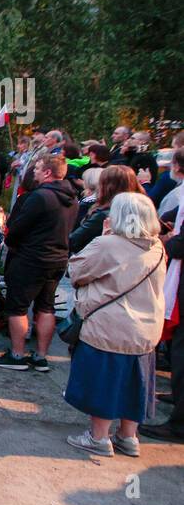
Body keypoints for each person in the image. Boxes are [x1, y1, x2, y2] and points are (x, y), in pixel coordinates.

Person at [63, 193, 165, 457]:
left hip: (110, 327)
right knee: (135, 383)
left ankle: (98, 437)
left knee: (104, 382)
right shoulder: (157, 247)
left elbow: (76, 271)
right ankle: (128, 437)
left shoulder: (108, 244)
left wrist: (104, 234)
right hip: (146, 329)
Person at [0, 153, 79, 371]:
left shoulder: (40, 197)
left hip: (32, 258)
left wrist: (10, 240)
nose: (35, 172)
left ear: (48, 172)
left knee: (18, 306)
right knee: (46, 306)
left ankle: (17, 355)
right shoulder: (72, 198)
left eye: (38, 168)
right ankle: (41, 356)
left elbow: (18, 228)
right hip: (57, 258)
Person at [68, 165, 142, 255]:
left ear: (106, 186)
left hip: (99, 258)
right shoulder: (141, 209)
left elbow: (74, 240)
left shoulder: (104, 215)